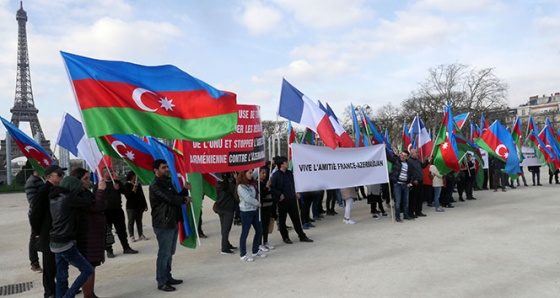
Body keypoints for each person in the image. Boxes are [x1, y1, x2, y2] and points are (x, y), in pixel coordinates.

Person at [49, 176, 95, 298]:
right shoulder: (68, 198)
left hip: (55, 240)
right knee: (87, 270)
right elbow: (88, 201)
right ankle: (68, 296)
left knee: (61, 276)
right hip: (65, 242)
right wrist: (85, 190)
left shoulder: (55, 197)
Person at [150, 159, 190, 292]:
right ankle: (161, 281)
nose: (167, 169)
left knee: (170, 253)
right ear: (156, 170)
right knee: (164, 253)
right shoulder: (155, 185)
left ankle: (167, 276)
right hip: (163, 223)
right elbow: (169, 199)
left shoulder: (167, 182)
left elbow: (175, 196)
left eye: (167, 167)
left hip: (172, 221)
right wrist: (184, 199)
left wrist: (184, 191)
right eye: (163, 168)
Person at [71, 168, 107, 298]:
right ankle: (88, 294)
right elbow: (96, 207)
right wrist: (101, 191)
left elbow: (101, 205)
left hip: (93, 234)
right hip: (86, 235)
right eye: (85, 179)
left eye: (88, 178)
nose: (88, 181)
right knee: (88, 266)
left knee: (92, 266)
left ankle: (90, 293)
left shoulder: (86, 193)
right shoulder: (78, 195)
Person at [30, 165, 66, 298]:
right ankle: (50, 292)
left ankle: (61, 287)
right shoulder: (43, 192)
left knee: (61, 263)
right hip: (48, 232)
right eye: (59, 174)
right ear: (49, 176)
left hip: (58, 231)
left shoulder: (59, 190)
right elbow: (35, 214)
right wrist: (37, 231)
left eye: (62, 174)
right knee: (49, 265)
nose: (62, 176)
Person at [93, 167, 137, 258]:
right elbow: (95, 198)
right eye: (109, 172)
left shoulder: (117, 183)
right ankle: (109, 250)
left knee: (121, 230)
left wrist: (121, 189)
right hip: (105, 212)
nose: (112, 173)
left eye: (112, 171)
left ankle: (126, 247)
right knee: (107, 232)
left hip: (117, 210)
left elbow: (127, 194)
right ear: (104, 173)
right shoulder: (99, 185)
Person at [270, 156, 313, 244]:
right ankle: (285, 237)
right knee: (282, 220)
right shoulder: (275, 175)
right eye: (286, 162)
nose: (288, 163)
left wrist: (296, 192)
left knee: (296, 219)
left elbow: (293, 184)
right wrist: (279, 195)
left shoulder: (289, 173)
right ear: (282, 164)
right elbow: (272, 188)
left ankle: (301, 235)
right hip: (282, 201)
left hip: (292, 199)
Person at [237, 169, 265, 262]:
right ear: (244, 174)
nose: (251, 174)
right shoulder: (241, 186)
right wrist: (258, 203)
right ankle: (243, 254)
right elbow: (248, 198)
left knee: (259, 230)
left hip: (254, 210)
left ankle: (255, 250)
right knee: (245, 232)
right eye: (249, 173)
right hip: (246, 211)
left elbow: (257, 170)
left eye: (251, 172)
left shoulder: (251, 183)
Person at [25, 170, 44, 273]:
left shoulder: (41, 180)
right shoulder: (31, 182)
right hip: (36, 214)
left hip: (43, 213)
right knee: (34, 237)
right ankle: (34, 263)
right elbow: (33, 201)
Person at [388, 150, 413, 222]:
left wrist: (410, 182)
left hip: (405, 185)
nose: (402, 157)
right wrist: (384, 148)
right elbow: (388, 157)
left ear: (407, 157)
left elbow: (411, 175)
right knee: (398, 201)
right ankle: (397, 217)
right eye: (402, 155)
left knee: (406, 201)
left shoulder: (409, 164)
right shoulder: (396, 161)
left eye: (404, 156)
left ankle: (406, 215)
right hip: (397, 184)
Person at [215, 172, 238, 255]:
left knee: (223, 227)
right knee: (226, 229)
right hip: (228, 209)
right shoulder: (229, 185)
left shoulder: (219, 185)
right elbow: (236, 193)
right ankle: (224, 247)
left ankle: (226, 244)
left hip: (220, 208)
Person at [124, 171, 149, 243]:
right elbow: (128, 196)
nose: (136, 177)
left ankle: (141, 234)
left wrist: (145, 204)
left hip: (139, 206)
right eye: (135, 175)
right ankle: (131, 236)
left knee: (139, 221)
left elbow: (142, 195)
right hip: (131, 207)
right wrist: (133, 190)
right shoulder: (126, 185)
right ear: (132, 176)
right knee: (131, 221)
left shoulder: (138, 185)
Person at [407, 149, 430, 217]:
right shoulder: (409, 161)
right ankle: (411, 212)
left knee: (420, 197)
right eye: (416, 153)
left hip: (420, 180)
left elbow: (423, 166)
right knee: (413, 198)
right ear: (412, 154)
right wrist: (412, 180)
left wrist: (427, 161)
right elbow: (409, 172)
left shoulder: (418, 160)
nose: (417, 154)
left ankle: (418, 211)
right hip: (414, 182)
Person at [258, 167, 275, 251]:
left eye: (265, 173)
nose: (264, 175)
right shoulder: (258, 184)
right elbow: (262, 194)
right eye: (262, 173)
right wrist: (267, 187)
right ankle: (259, 243)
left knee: (266, 226)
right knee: (262, 226)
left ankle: (266, 241)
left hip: (268, 206)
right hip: (262, 207)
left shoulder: (265, 182)